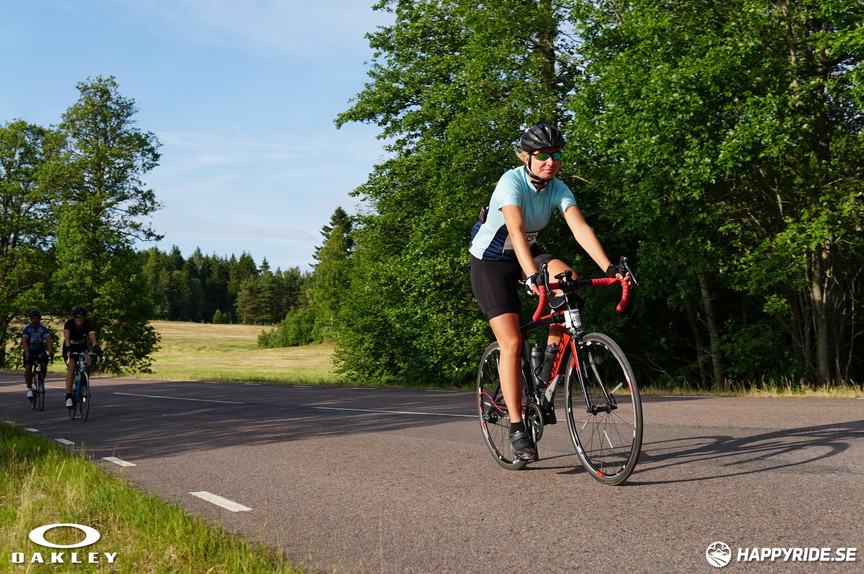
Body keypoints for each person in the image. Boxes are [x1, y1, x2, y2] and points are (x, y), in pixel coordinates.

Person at [468, 123, 629, 461]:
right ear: (526, 157)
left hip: (528, 252)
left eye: (556, 155)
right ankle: (516, 427)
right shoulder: (511, 182)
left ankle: (549, 361)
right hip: (492, 263)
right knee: (512, 343)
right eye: (542, 155)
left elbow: (580, 227)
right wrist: (530, 276)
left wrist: (610, 268)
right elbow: (515, 228)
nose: (550, 162)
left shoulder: (557, 187)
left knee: (569, 278)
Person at [63, 306, 100, 408]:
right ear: (74, 317)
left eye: (82, 317)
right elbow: (67, 337)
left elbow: (92, 336)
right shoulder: (69, 324)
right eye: (78, 317)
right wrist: (68, 348)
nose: (80, 319)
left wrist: (95, 346)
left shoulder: (88, 324)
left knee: (88, 362)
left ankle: (84, 383)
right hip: (69, 346)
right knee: (71, 368)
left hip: (81, 346)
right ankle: (69, 396)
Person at [22, 309, 54, 400]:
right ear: (30, 319)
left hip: (39, 348)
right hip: (29, 348)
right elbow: (24, 341)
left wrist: (50, 351)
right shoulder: (27, 328)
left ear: (40, 319)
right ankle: (29, 388)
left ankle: (40, 382)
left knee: (44, 365)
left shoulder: (43, 328)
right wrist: (27, 353)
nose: (35, 320)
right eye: (33, 318)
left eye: (37, 318)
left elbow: (48, 340)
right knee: (28, 366)